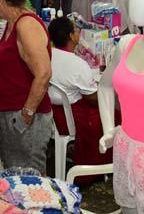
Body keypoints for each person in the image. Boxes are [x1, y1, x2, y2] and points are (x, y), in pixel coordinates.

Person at [0, 0, 52, 172]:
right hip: (9, 113)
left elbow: (44, 73)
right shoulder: (12, 23)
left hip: (22, 117)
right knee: (15, 176)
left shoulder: (26, 25)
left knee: (30, 181)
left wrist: (26, 113)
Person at [47, 16, 112, 171]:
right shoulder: (77, 64)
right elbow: (92, 98)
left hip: (53, 115)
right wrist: (106, 89)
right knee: (113, 114)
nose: (79, 32)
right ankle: (101, 165)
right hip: (73, 118)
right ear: (71, 36)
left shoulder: (47, 56)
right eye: (76, 30)